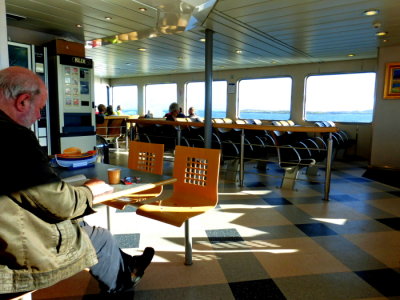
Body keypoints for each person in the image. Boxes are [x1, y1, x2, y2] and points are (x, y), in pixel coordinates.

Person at [0, 67, 154, 296]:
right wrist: (89, 192)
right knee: (100, 236)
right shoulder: (14, 138)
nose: (39, 117)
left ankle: (129, 264)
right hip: (11, 258)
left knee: (79, 223)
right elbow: (60, 204)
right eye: (40, 108)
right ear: (22, 102)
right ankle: (123, 284)